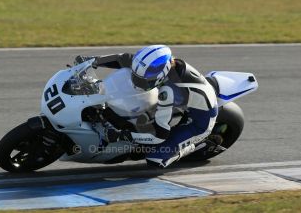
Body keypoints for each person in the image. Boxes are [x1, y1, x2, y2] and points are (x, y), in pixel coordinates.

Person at [75, 45, 218, 168]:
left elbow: (160, 135)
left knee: (156, 159)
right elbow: (123, 59)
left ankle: (197, 145)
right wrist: (92, 60)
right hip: (182, 100)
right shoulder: (153, 66)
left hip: (201, 120)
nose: (137, 82)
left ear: (161, 76)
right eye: (136, 77)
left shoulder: (169, 92)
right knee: (140, 117)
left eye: (142, 81)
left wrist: (122, 135)